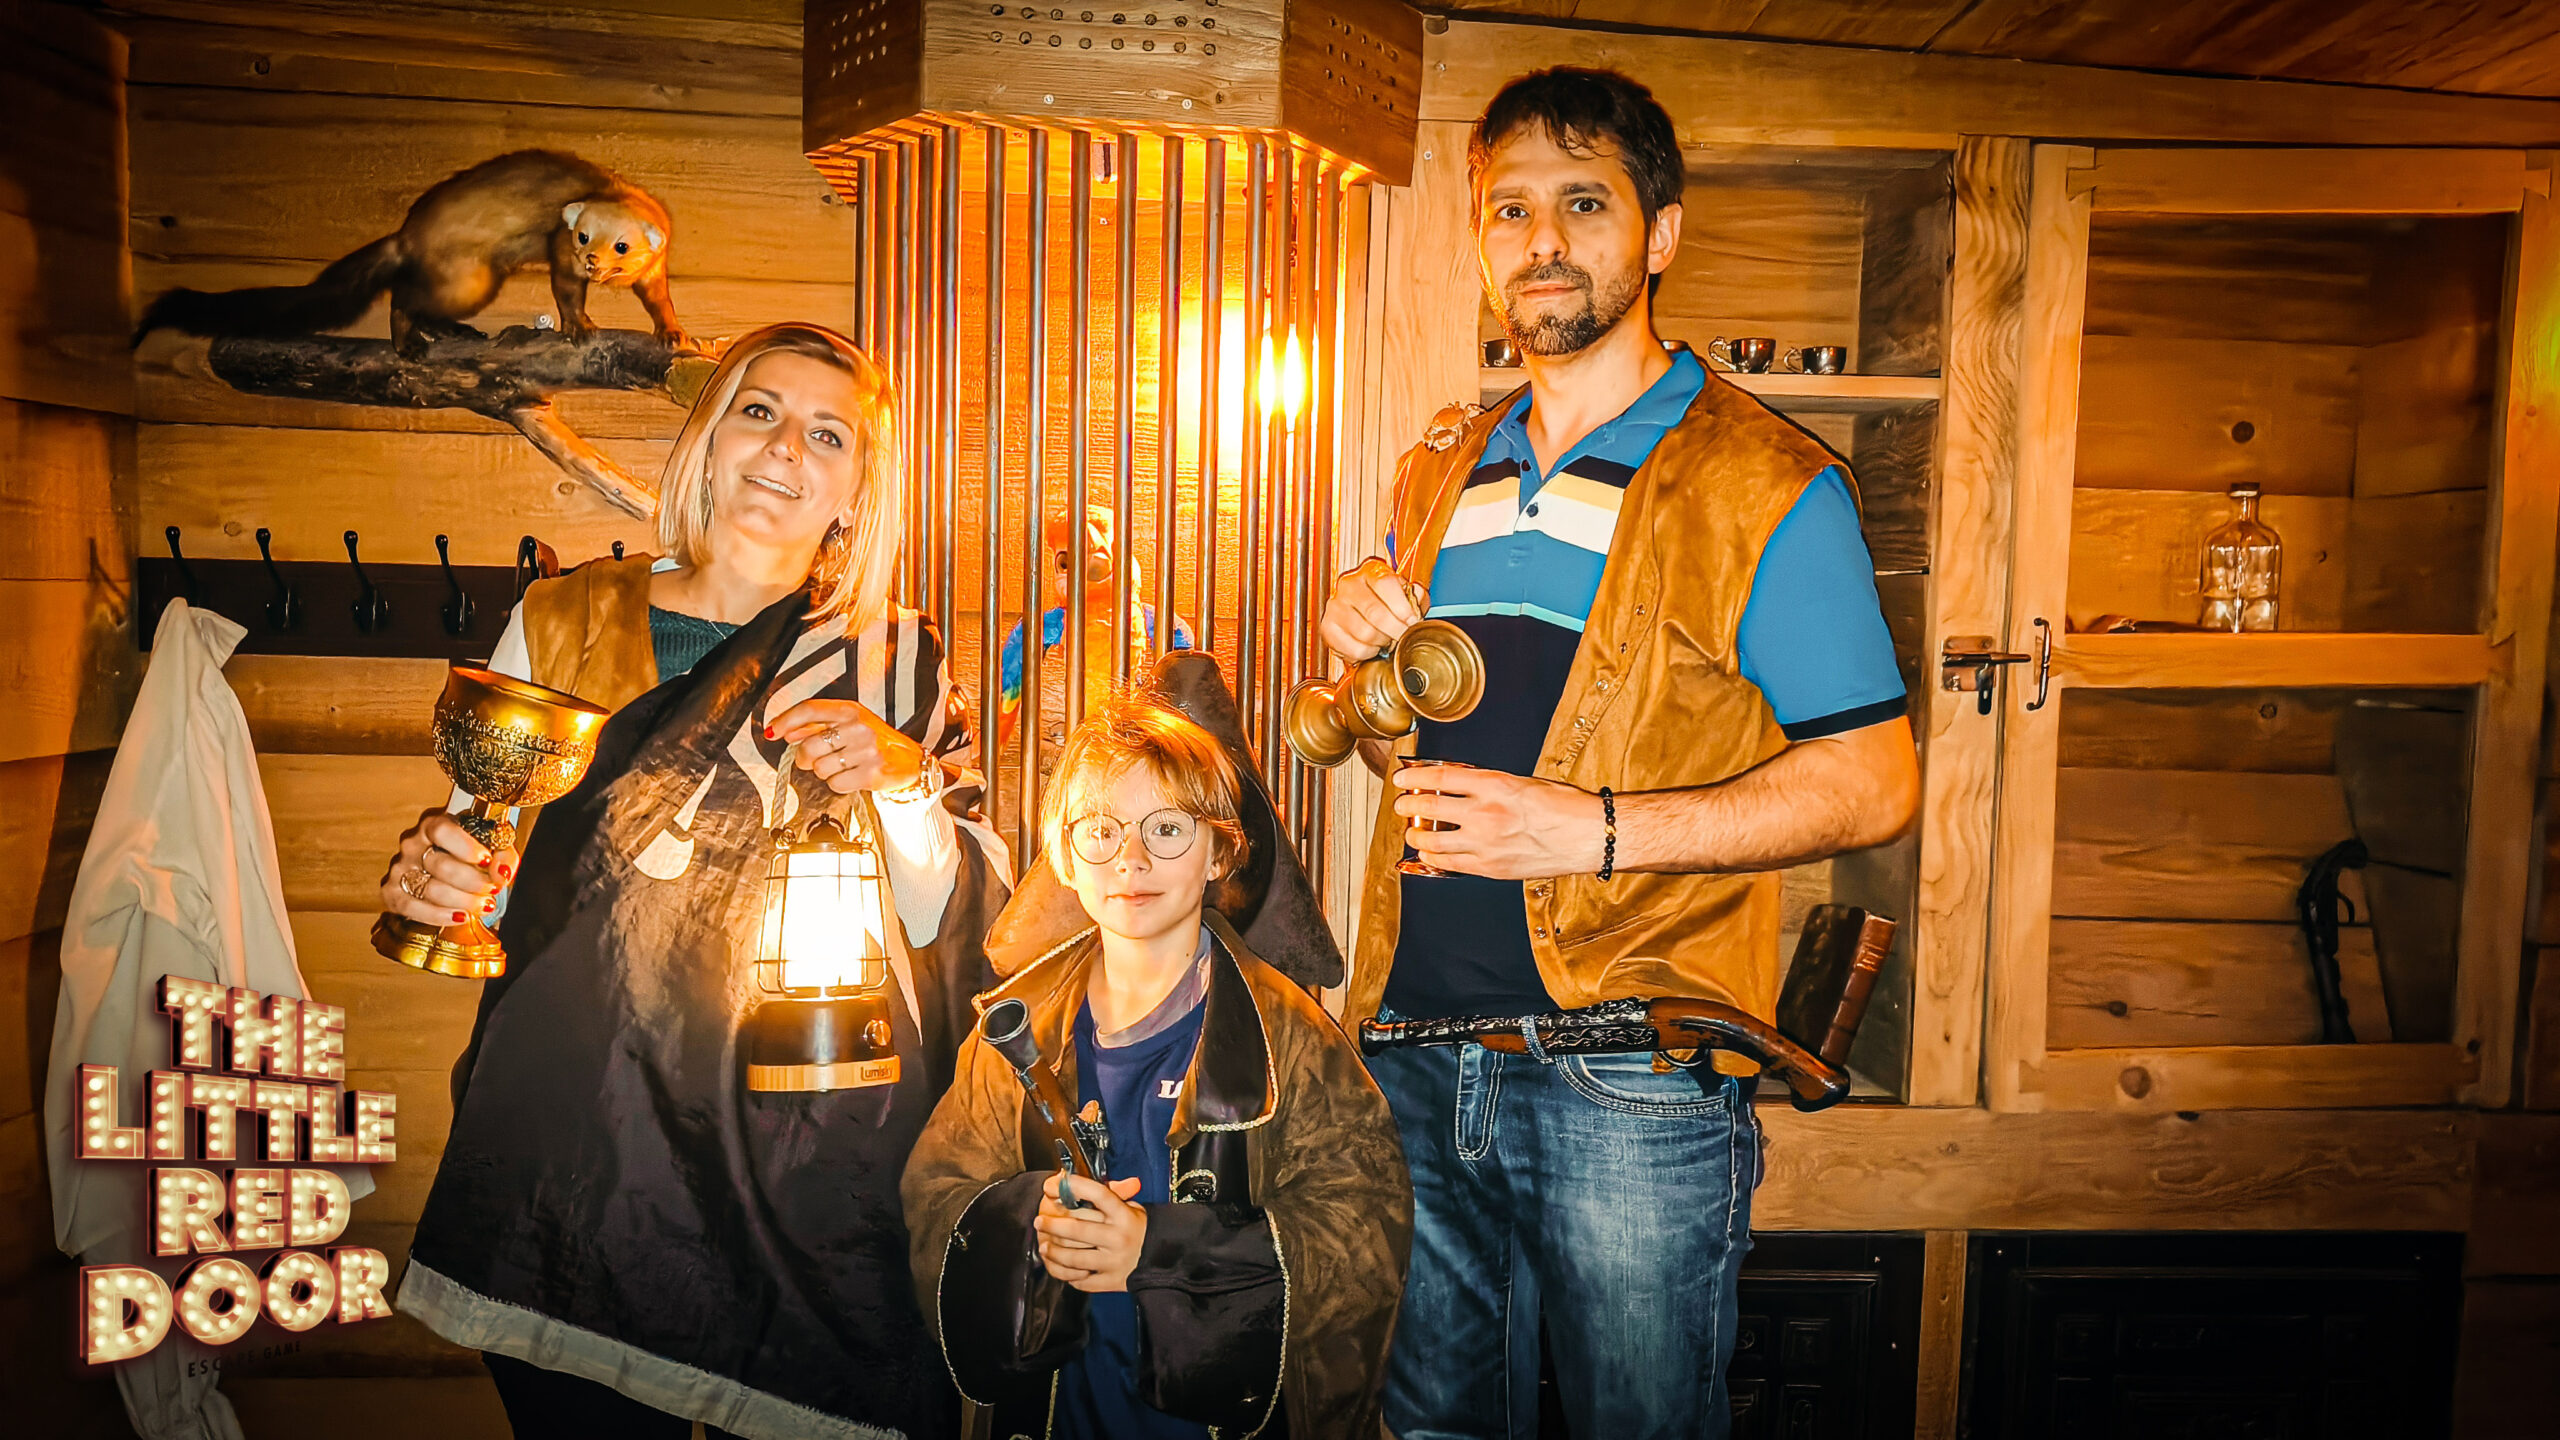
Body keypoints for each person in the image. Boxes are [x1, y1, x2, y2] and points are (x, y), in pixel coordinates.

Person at [1320, 69, 1921, 1439]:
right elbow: (1412, 744)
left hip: (1629, 1076)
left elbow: (1874, 784)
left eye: (1584, 204)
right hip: (1412, 1054)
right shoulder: (1442, 469)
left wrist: (1589, 831)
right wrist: (1367, 660)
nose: (1541, 241)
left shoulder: (1771, 486)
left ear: (1660, 234)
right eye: (1510, 209)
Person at [375, 323, 1009, 1440]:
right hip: (581, 1139)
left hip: (805, 1154)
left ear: (857, 492)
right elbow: (497, 856)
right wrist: (441, 877)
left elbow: (942, 921)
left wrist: (905, 779)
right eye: (759, 412)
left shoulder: (897, 659)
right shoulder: (564, 619)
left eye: (829, 434)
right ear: (710, 440)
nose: (786, 448)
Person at [903, 689, 1410, 1439]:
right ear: (1066, 858)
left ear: (1220, 852)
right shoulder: (1007, 1034)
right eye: (1100, 831)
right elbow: (936, 1194)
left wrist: (1161, 1253)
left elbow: (1364, 1240)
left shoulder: (1296, 1044)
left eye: (1167, 829)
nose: (1131, 860)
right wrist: (1027, 1225)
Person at [996, 503, 1196, 783]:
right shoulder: (1060, 621)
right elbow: (1018, 655)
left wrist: (1172, 715)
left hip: (1136, 725)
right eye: (1064, 563)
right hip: (1083, 728)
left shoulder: (1142, 616)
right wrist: (998, 732)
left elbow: (1182, 649)